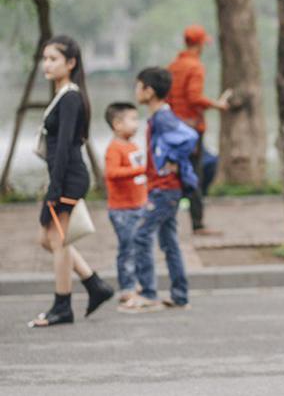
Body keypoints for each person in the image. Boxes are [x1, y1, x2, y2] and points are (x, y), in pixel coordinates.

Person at [29, 36, 114, 328]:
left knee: (59, 241)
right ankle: (94, 284)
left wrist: (54, 189)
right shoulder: (62, 94)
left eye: (53, 59)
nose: (47, 64)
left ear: (71, 63)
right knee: (48, 239)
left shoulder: (70, 97)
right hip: (62, 177)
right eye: (45, 58)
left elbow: (65, 146)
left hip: (69, 177)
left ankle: (62, 305)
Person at [123, 67, 196, 313]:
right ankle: (179, 295)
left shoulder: (163, 117)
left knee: (141, 235)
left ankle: (149, 294)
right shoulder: (157, 117)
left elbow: (189, 138)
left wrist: (169, 161)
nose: (136, 91)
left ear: (149, 90)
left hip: (164, 190)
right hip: (164, 188)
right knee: (169, 241)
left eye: (138, 85)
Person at [166, 25, 229, 236]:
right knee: (196, 174)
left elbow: (169, 98)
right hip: (192, 130)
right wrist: (217, 105)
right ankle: (198, 223)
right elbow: (194, 98)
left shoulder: (173, 66)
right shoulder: (195, 67)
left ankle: (172, 218)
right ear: (200, 44)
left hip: (173, 128)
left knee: (177, 173)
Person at [104, 102, 148, 305]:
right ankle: (127, 287)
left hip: (139, 205)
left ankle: (136, 282)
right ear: (117, 124)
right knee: (127, 248)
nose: (137, 124)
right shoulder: (115, 148)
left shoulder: (133, 145)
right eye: (132, 119)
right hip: (122, 210)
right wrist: (141, 170)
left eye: (137, 119)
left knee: (139, 247)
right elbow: (112, 173)